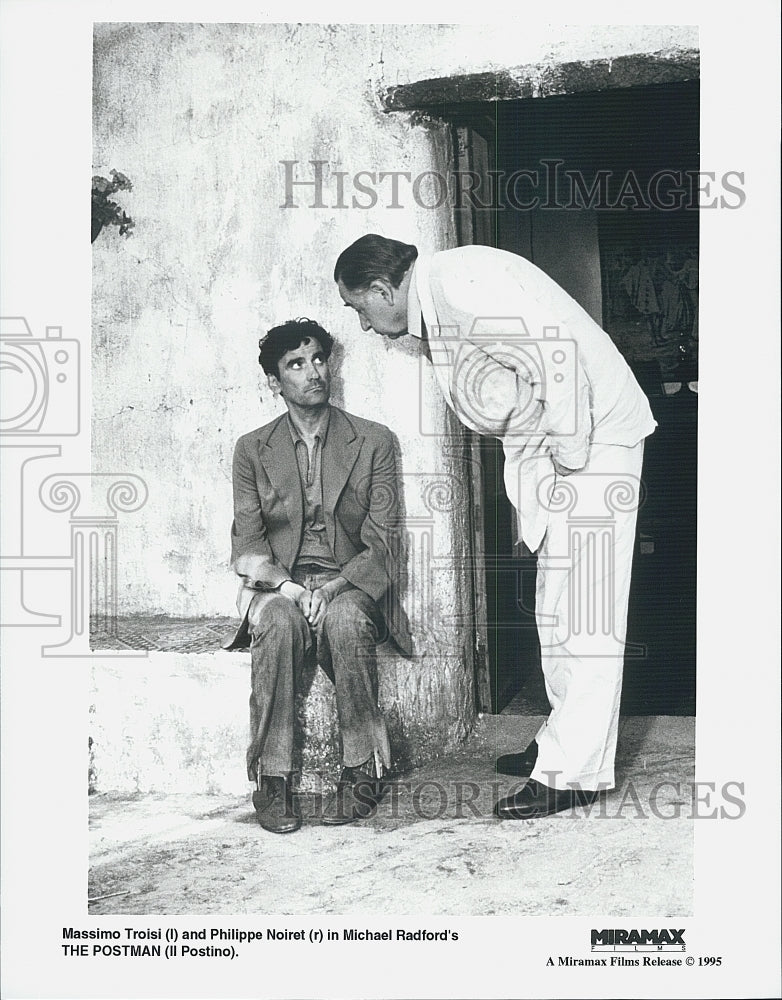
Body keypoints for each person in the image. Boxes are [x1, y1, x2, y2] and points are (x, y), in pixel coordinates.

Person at [334, 235, 656, 820]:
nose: (362, 324)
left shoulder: (458, 283)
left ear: (383, 289)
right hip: (572, 442)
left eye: (359, 308)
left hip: (592, 439)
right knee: (557, 603)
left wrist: (569, 454)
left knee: (585, 610)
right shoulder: (444, 291)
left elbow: (555, 353)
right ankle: (562, 742)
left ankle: (572, 771)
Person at [225, 317, 411, 833]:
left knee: (347, 623)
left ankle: (360, 772)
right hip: (281, 583)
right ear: (274, 381)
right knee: (280, 623)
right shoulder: (251, 449)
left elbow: (385, 540)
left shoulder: (373, 440)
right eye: (296, 364)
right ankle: (273, 780)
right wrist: (286, 586)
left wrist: (330, 588)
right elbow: (248, 542)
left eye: (319, 359)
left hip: (348, 581)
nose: (313, 373)